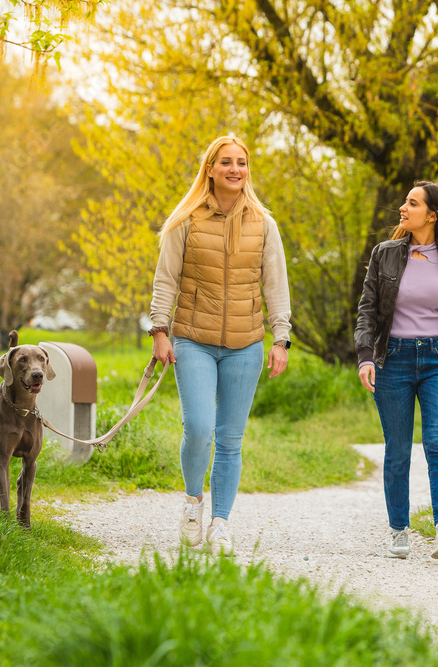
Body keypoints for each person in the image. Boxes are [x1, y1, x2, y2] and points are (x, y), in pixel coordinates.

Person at [149, 136, 291, 554]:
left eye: (241, 163)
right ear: (209, 169)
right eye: (226, 162)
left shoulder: (264, 224)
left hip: (245, 344)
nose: (235, 169)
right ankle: (194, 503)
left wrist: (281, 338)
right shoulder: (186, 219)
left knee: (230, 438)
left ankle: (221, 523)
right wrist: (159, 330)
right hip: (193, 338)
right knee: (198, 427)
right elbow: (166, 278)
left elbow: (276, 285)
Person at [355, 180, 438, 561]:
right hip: (393, 359)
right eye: (405, 202)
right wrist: (365, 355)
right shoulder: (385, 254)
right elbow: (367, 310)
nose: (403, 208)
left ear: (433, 215)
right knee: (397, 449)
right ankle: (399, 529)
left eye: (412, 203)